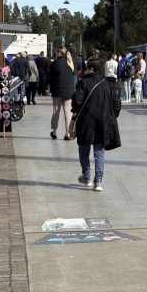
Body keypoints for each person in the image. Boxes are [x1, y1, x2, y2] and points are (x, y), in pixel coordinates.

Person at [70, 57, 122, 192]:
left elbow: (77, 100)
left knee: (83, 150)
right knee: (99, 152)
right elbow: (117, 103)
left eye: (86, 67)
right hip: (103, 122)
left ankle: (86, 177)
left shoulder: (83, 83)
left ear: (91, 69)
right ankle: (98, 181)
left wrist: (75, 112)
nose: (85, 70)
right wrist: (112, 116)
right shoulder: (109, 84)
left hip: (85, 122)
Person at [48, 47, 76, 140]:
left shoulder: (55, 64)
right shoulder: (70, 63)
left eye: (56, 52)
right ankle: (68, 133)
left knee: (56, 111)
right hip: (68, 90)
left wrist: (50, 90)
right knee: (68, 112)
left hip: (57, 90)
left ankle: (55, 132)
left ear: (59, 52)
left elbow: (51, 78)